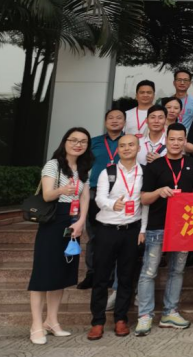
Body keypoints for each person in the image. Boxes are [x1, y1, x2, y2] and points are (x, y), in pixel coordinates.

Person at [134, 123, 193, 335]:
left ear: (185, 141)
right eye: (172, 139)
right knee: (149, 272)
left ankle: (170, 312)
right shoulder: (155, 166)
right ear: (166, 140)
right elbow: (144, 198)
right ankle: (145, 316)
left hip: (183, 228)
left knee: (177, 271)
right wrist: (159, 192)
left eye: (180, 139)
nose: (176, 143)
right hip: (157, 226)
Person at [28, 128, 91, 345]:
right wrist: (62, 190)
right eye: (73, 140)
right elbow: (47, 195)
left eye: (83, 141)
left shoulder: (83, 167)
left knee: (61, 273)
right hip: (53, 221)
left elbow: (85, 196)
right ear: (65, 142)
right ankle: (36, 325)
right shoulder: (53, 164)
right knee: (42, 274)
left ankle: (52, 321)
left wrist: (81, 221)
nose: (78, 144)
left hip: (72, 222)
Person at [88, 134, 142, 341]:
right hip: (107, 230)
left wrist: (143, 230)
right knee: (101, 277)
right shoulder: (108, 172)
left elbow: (144, 205)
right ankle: (97, 321)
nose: (127, 148)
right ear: (117, 149)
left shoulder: (143, 173)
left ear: (138, 148)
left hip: (131, 230)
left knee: (126, 276)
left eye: (131, 145)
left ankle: (121, 319)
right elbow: (99, 198)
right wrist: (113, 204)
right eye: (122, 146)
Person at [80, 110, 125, 290]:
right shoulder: (94, 142)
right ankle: (91, 273)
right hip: (94, 192)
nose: (114, 121)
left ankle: (111, 276)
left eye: (119, 118)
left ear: (124, 122)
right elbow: (83, 165)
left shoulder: (128, 142)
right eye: (110, 118)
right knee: (94, 235)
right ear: (105, 122)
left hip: (120, 195)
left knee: (115, 237)